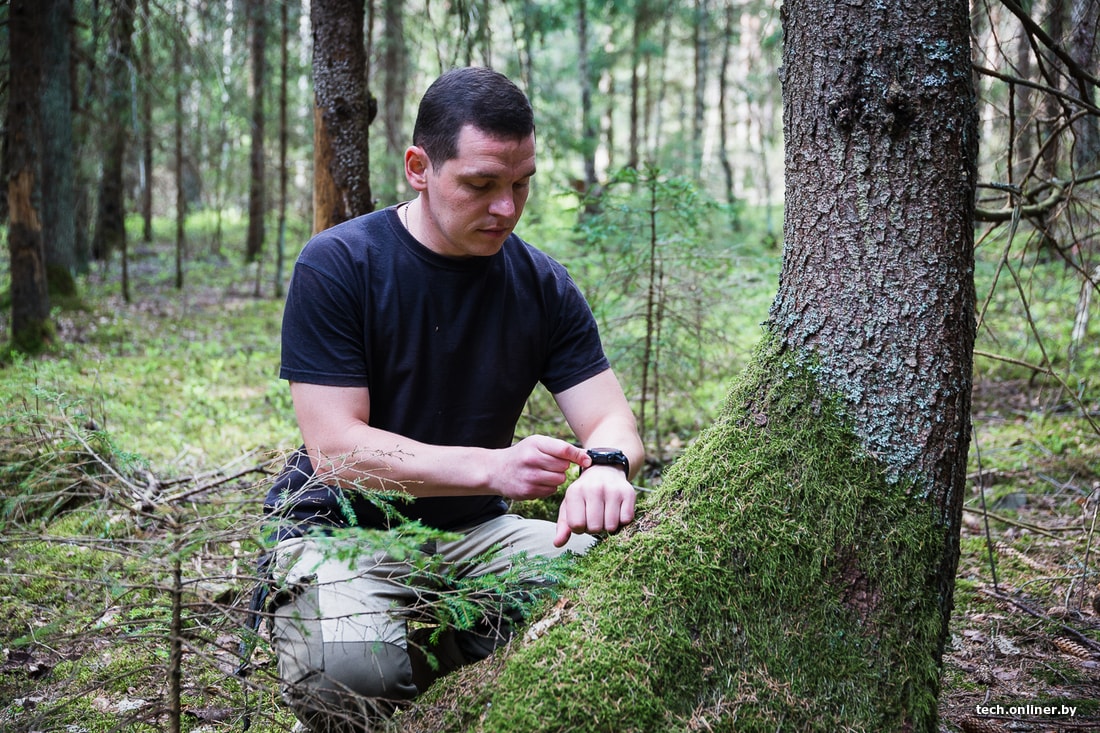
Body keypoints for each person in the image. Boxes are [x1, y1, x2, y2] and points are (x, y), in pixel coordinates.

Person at [263, 66, 644, 732]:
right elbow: (337, 452)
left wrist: (608, 464)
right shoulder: (338, 265)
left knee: (615, 579)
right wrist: (492, 467)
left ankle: (446, 652)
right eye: (481, 184)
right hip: (339, 533)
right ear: (419, 166)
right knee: (347, 672)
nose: (507, 207)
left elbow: (610, 418)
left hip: (475, 535)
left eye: (522, 183)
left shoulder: (542, 285)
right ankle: (370, 676)